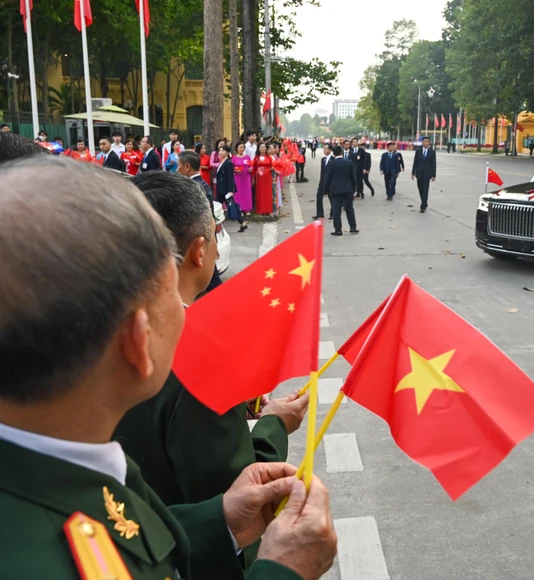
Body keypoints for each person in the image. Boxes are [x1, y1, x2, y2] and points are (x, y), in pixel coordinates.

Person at [0, 155, 337, 580]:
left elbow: (132, 543)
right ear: (139, 342)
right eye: (162, 299)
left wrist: (219, 522)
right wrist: (285, 571)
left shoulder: (76, 466)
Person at [114, 171, 308, 553]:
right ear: (199, 251)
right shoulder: (198, 357)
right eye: (217, 237)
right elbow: (232, 501)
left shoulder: (81, 331)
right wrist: (274, 427)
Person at [177, 150, 225, 293]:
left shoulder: (196, 188)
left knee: (213, 282)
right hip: (201, 241)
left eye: (178, 165)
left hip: (199, 242)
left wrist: (211, 244)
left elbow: (206, 218)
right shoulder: (198, 185)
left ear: (187, 167)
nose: (176, 169)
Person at [324, 145, 358, 236]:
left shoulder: (331, 164)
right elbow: (352, 177)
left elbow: (327, 178)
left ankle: (338, 230)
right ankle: (353, 227)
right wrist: (353, 189)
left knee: (336, 210)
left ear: (333, 154)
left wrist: (325, 190)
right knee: (349, 209)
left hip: (336, 190)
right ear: (341, 152)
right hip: (348, 189)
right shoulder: (349, 163)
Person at [216, 144, 248, 232]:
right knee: (220, 206)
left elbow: (230, 177)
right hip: (220, 188)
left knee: (231, 206)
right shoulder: (221, 162)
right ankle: (242, 223)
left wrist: (231, 190)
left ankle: (242, 223)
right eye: (220, 150)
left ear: (227, 153)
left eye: (223, 151)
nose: (221, 152)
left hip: (226, 189)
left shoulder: (229, 163)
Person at [412, 136, 437, 213]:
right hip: (419, 173)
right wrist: (413, 173)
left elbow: (434, 164)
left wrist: (433, 175)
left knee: (425, 189)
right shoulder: (418, 151)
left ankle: (423, 206)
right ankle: (424, 202)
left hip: (427, 173)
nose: (426, 143)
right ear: (422, 142)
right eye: (425, 141)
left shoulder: (432, 152)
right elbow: (415, 163)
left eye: (427, 142)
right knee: (420, 188)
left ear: (429, 143)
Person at [232, 141, 254, 216]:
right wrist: (235, 169)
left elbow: (251, 165)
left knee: (247, 192)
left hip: (246, 177)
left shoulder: (247, 157)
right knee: (238, 193)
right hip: (238, 177)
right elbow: (232, 167)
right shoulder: (234, 158)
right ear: (236, 148)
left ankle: (247, 208)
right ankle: (239, 208)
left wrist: (251, 168)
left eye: (243, 147)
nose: (242, 149)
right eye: (240, 147)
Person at [256, 143, 277, 215]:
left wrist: (272, 168)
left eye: (264, 147)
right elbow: (254, 168)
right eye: (262, 147)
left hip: (268, 177)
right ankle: (261, 210)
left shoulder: (269, 157)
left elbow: (273, 166)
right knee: (260, 193)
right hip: (260, 178)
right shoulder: (256, 158)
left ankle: (268, 210)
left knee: (268, 193)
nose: (263, 149)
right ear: (258, 149)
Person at [313, 143, 333, 219]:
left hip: (330, 183)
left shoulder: (333, 160)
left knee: (332, 199)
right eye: (323, 148)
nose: (324, 150)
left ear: (330, 150)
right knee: (318, 197)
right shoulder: (323, 159)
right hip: (322, 182)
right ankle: (320, 214)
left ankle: (333, 213)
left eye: (326, 148)